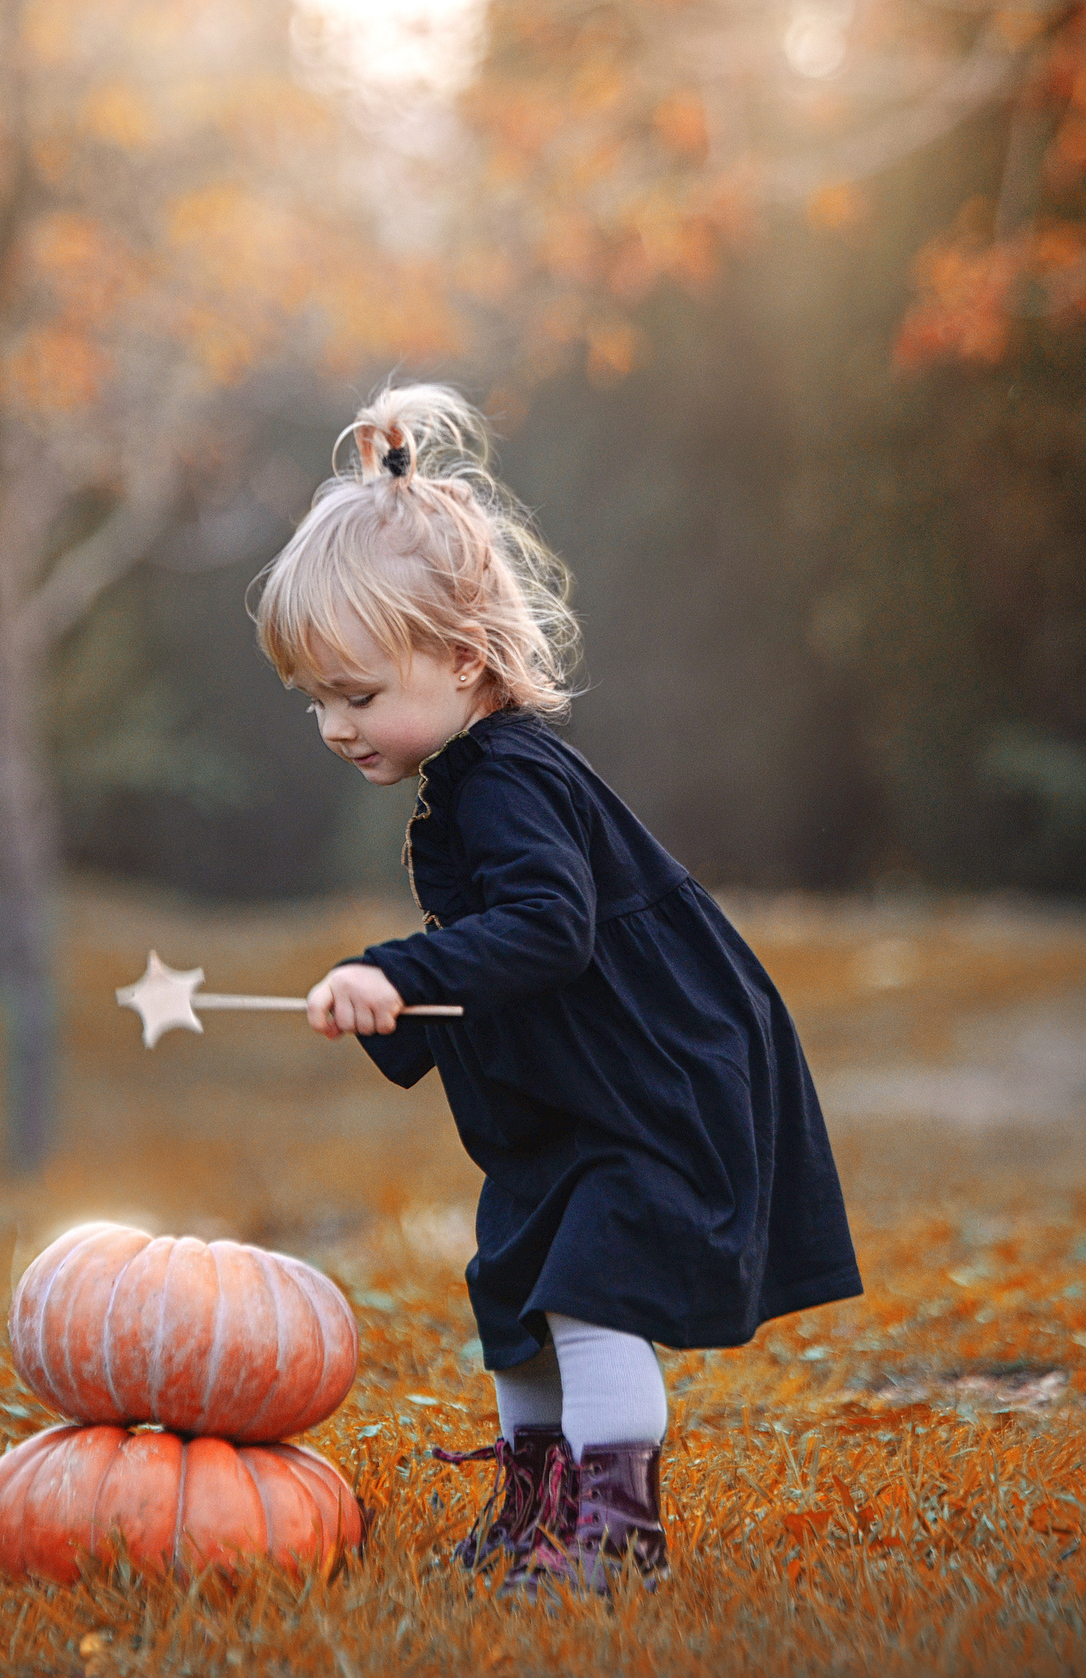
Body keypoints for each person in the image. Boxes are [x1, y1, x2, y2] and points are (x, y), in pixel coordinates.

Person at [249, 382, 862, 1595]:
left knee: (585, 1294)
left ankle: (615, 1534)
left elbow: (546, 930)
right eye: (316, 698)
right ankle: (538, 1502)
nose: (332, 724)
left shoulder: (507, 776)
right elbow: (504, 960)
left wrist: (393, 967)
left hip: (658, 1083)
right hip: (583, 1095)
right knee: (515, 1288)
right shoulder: (466, 781)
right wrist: (396, 1004)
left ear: (463, 654)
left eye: (357, 694)